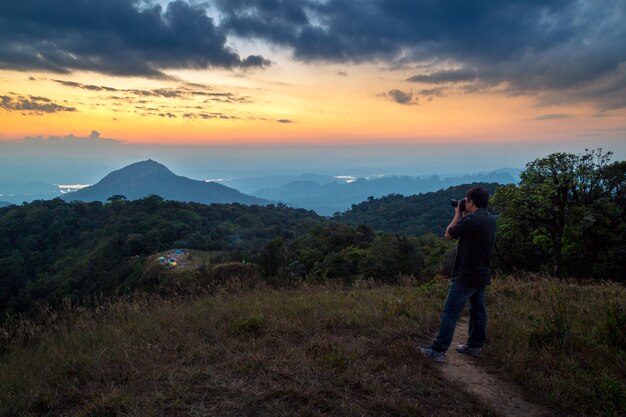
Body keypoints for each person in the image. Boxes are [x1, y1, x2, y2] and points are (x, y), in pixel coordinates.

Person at [421, 186, 496, 363]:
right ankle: (475, 346)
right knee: (478, 310)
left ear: (471, 202)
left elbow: (449, 234)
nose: (464, 202)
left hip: (466, 275)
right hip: (482, 273)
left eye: (466, 200)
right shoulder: (490, 219)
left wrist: (457, 213)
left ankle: (438, 350)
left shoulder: (471, 221)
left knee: (450, 312)